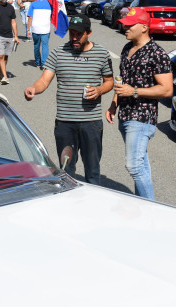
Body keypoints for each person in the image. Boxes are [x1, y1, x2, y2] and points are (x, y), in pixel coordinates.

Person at [24, 15, 113, 185]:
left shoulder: (102, 53)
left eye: (79, 34)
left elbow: (109, 82)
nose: (74, 38)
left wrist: (99, 90)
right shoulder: (58, 53)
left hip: (91, 122)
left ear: (89, 33)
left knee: (93, 170)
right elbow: (44, 80)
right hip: (65, 123)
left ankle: (92, 206)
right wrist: (33, 89)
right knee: (66, 170)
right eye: (72, 33)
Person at [106, 8, 172, 200]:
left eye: (130, 24)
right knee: (140, 163)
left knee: (133, 165)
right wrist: (113, 104)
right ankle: (141, 202)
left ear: (144, 27)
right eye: (125, 23)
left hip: (142, 117)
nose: (124, 26)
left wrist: (134, 91)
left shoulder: (157, 54)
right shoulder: (127, 48)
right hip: (125, 114)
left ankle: (150, 209)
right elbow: (122, 82)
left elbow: (167, 90)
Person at [26, 0, 52, 68]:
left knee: (36, 45)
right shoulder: (50, 4)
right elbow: (52, 16)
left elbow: (30, 18)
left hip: (36, 28)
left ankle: (37, 62)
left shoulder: (33, 4)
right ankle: (44, 64)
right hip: (46, 29)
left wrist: (28, 29)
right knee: (45, 46)